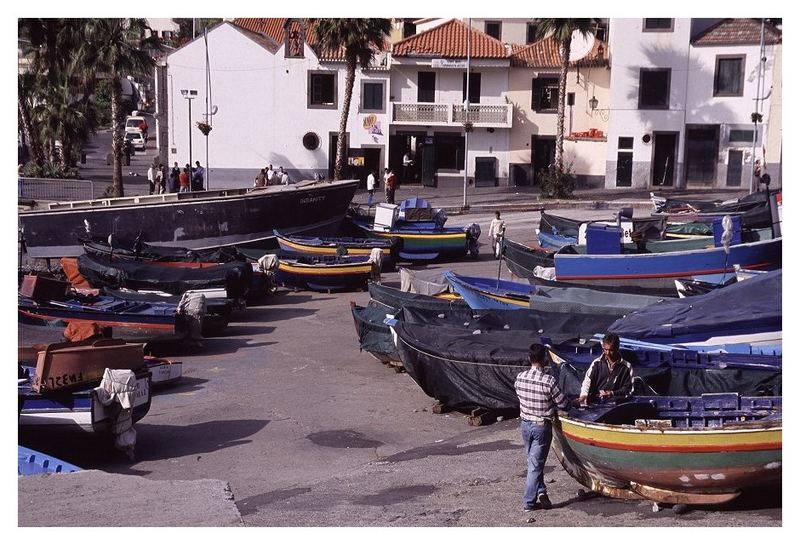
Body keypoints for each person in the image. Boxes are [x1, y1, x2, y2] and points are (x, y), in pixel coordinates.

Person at [514, 343, 571, 512]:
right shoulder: (549, 381)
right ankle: (529, 503)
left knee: (532, 461)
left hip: (525, 425)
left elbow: (519, 395)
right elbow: (563, 403)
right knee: (535, 465)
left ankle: (541, 491)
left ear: (529, 358)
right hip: (541, 427)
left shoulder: (520, 378)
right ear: (545, 359)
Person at [576, 333, 633, 406]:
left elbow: (629, 390)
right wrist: (584, 395)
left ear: (617, 348)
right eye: (605, 350)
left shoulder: (626, 367)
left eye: (611, 350)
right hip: (595, 405)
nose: (608, 353)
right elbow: (587, 381)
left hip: (616, 406)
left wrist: (612, 393)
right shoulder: (596, 363)